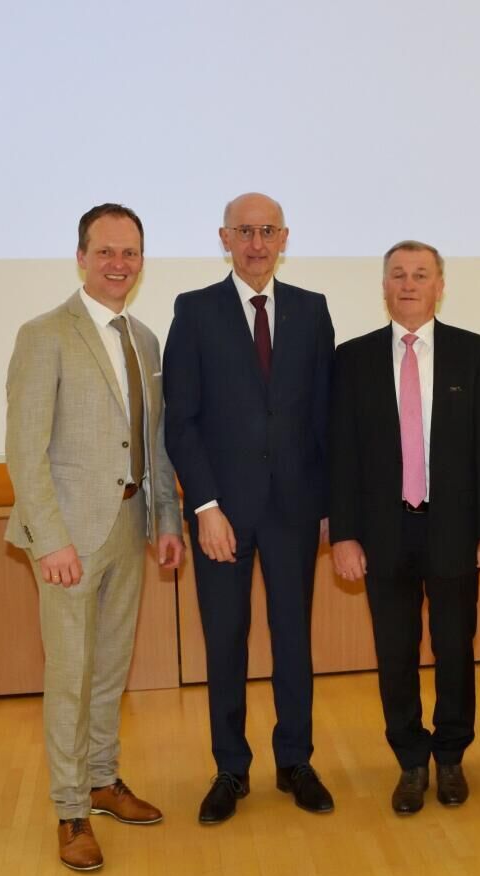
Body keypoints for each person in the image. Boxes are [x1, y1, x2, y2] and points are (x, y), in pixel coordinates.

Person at [5, 203, 185, 871]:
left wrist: (167, 520)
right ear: (81, 257)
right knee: (70, 677)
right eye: (105, 251)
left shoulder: (145, 340)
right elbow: (25, 449)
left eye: (130, 252)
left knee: (110, 668)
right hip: (68, 541)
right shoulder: (44, 334)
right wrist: (50, 539)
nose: (118, 263)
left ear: (142, 261)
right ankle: (70, 809)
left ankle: (103, 781)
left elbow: (154, 442)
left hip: (130, 527)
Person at [162, 192, 335, 823]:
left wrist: (329, 506)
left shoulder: (313, 311)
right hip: (222, 515)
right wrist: (205, 506)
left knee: (294, 640)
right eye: (244, 232)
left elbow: (324, 415)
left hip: (294, 509)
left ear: (284, 238)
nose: (256, 243)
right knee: (225, 641)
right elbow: (181, 421)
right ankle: (230, 769)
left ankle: (296, 762)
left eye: (267, 231)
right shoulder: (194, 311)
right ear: (224, 238)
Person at [329, 240, 480, 815]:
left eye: (421, 274)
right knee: (395, 653)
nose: (409, 284)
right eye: (398, 275)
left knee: (455, 649)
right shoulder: (352, 358)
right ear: (384, 287)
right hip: (383, 535)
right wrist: (344, 535)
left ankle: (451, 756)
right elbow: (341, 455)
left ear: (440, 286)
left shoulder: (473, 353)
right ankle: (410, 761)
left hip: (454, 531)